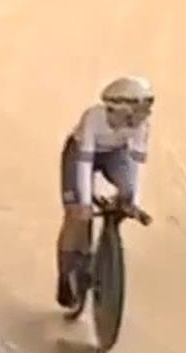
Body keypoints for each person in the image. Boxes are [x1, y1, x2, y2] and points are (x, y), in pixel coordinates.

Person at [56, 76, 155, 309]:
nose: (144, 117)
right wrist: (83, 204)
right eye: (139, 111)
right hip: (80, 153)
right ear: (122, 109)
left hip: (115, 155)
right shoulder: (93, 118)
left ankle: (109, 244)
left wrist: (131, 198)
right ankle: (65, 276)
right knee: (75, 215)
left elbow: (134, 164)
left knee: (126, 195)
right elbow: (83, 162)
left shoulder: (142, 125)